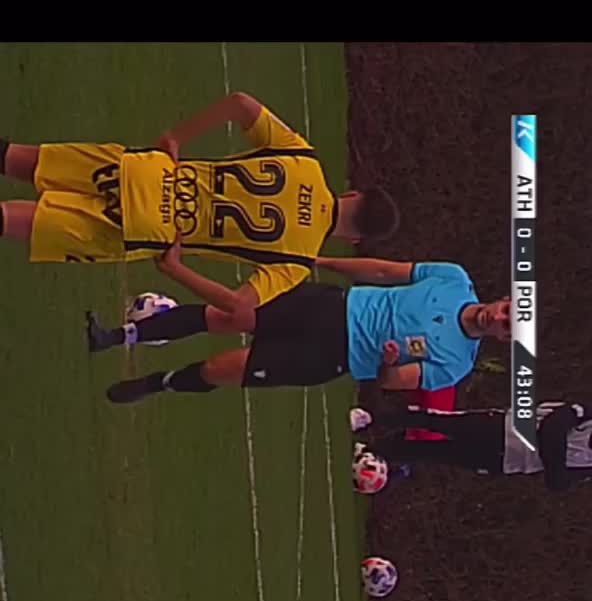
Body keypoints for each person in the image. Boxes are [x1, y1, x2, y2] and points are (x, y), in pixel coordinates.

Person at [0, 92, 397, 312]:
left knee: (16, 158)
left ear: (352, 195)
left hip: (150, 172)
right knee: (16, 219)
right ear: (354, 240)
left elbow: (241, 104)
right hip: (147, 226)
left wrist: (176, 136)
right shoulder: (297, 260)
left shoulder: (303, 160)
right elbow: (238, 305)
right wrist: (176, 269)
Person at [87, 258, 511, 405]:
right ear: (504, 299)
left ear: (505, 339)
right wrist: (323, 262)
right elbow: (385, 271)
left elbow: (395, 381)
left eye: (508, 326)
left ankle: (157, 384)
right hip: (328, 306)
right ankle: (117, 336)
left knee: (221, 368)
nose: (498, 318)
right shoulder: (453, 279)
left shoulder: (455, 365)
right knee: (227, 315)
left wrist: (387, 363)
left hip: (331, 356)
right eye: (507, 311)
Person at [351, 399, 592, 491]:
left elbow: (558, 483)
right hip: (501, 427)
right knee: (435, 421)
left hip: (505, 461)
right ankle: (370, 418)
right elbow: (553, 427)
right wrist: (554, 458)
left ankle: (372, 452)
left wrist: (553, 455)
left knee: (433, 452)